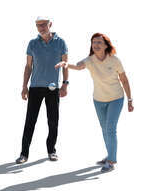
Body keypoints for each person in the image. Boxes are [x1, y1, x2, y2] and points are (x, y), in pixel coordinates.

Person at [55, 33, 134, 172]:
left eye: (99, 42)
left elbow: (124, 80)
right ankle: (110, 154)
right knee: (105, 130)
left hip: (116, 98)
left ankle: (111, 161)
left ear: (105, 45)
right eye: (93, 42)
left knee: (110, 129)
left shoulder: (115, 60)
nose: (96, 45)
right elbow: (79, 66)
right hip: (98, 100)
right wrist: (66, 64)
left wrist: (129, 99)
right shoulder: (90, 60)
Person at [15, 16, 69, 164]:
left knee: (53, 121)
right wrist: (24, 86)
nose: (41, 27)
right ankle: (24, 154)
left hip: (53, 88)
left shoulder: (60, 42)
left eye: (44, 24)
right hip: (35, 88)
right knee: (30, 121)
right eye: (38, 25)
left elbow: (65, 64)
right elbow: (28, 66)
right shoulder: (32, 44)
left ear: (50, 24)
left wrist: (65, 84)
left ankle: (51, 151)